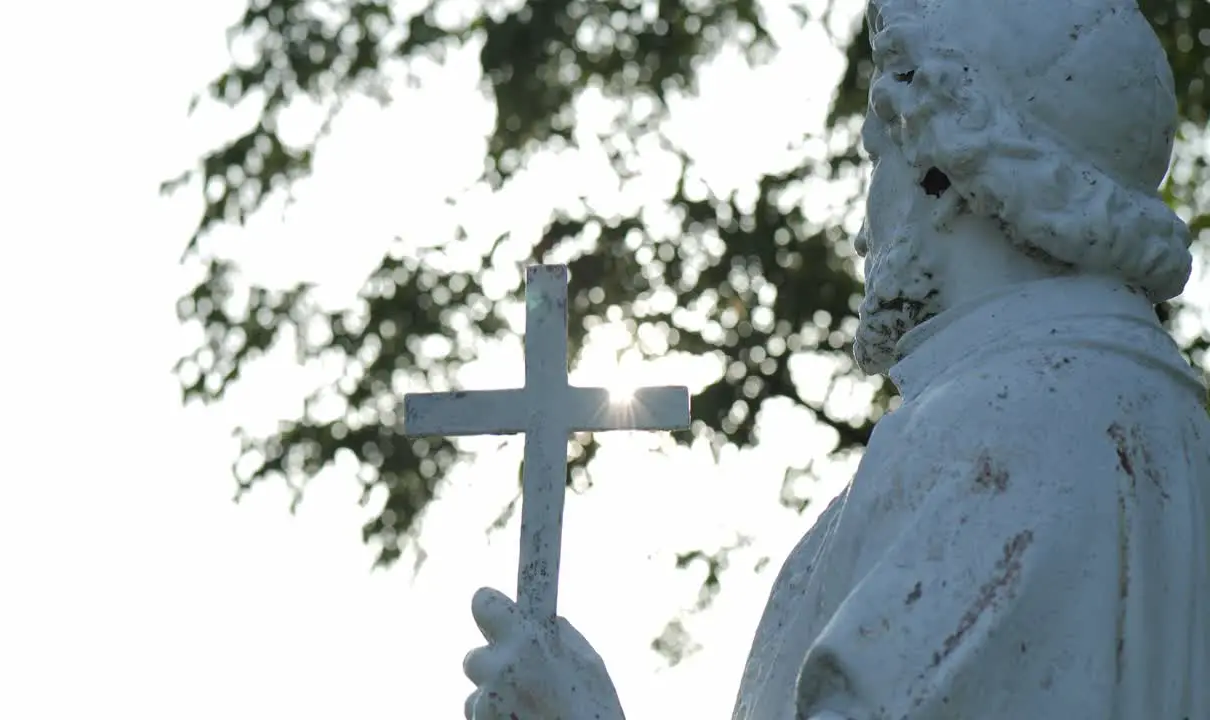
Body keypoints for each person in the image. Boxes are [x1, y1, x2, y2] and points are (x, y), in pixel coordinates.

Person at [460, 1, 1210, 717]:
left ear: (939, 176)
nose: (861, 233)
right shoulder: (1149, 421)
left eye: (874, 161)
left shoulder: (1008, 424)